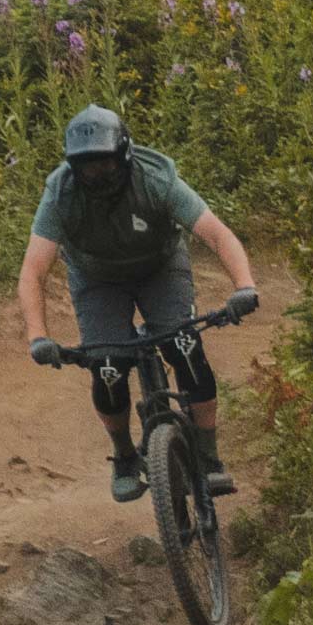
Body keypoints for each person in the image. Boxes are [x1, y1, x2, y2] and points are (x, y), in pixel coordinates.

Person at [18, 104, 264, 502]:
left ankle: (209, 455)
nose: (96, 176)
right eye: (86, 168)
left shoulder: (155, 177)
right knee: (109, 367)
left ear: (125, 156)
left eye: (105, 166)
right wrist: (37, 336)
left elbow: (217, 234)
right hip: (97, 280)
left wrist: (244, 286)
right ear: (72, 167)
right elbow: (34, 270)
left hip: (160, 268)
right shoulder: (60, 193)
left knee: (184, 348)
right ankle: (125, 456)